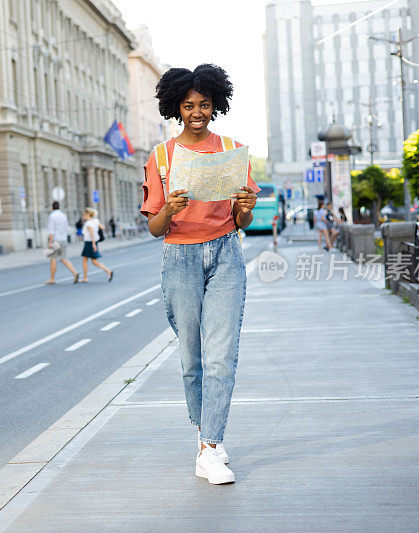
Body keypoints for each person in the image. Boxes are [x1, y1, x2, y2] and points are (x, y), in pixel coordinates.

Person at [141, 64, 259, 484]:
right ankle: (204, 435)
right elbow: (155, 228)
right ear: (177, 107)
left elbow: (242, 221)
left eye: (204, 104)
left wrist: (245, 206)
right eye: (189, 105)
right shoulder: (160, 157)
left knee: (220, 354)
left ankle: (210, 447)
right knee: (192, 359)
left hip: (225, 252)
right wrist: (169, 210)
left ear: (215, 105)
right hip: (179, 257)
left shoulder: (232, 149)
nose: (197, 111)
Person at [45, 201, 79, 285]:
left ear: (52, 208)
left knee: (53, 259)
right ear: (59, 207)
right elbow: (66, 227)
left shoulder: (52, 216)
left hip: (56, 240)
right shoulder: (64, 216)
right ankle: (74, 272)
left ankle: (52, 279)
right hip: (63, 239)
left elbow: (51, 231)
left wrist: (50, 242)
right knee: (63, 258)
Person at [79, 207, 113, 283]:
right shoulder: (95, 221)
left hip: (89, 243)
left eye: (84, 214)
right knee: (94, 261)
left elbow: (92, 234)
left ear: (88, 214)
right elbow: (103, 228)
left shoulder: (88, 223)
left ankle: (85, 277)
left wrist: (93, 244)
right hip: (93, 242)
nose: (83, 216)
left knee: (85, 260)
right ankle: (108, 271)